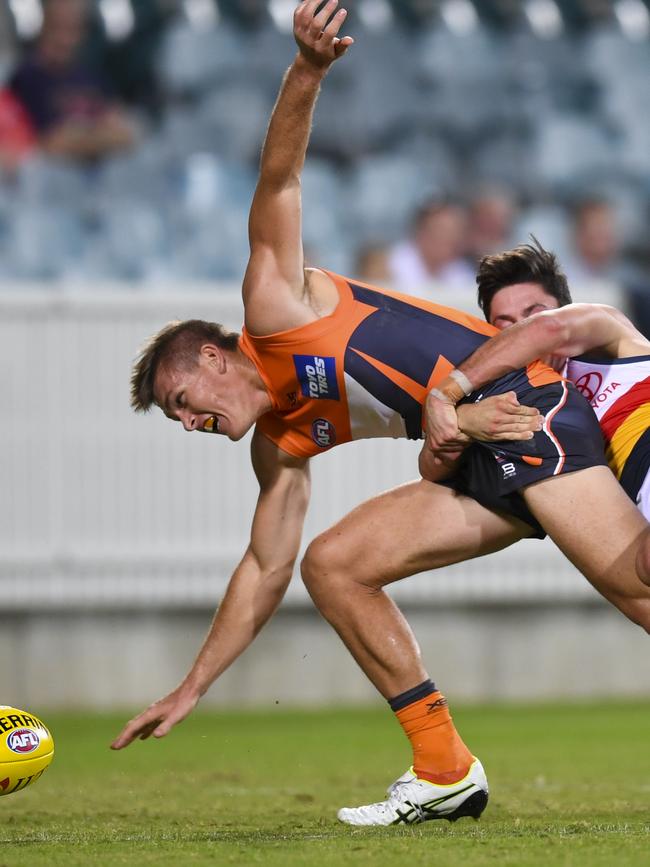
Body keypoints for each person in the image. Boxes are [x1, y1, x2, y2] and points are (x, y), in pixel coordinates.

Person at [110, 2, 650, 829]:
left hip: (524, 405)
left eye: (185, 402)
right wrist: (192, 686)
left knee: (637, 588)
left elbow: (280, 182)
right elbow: (264, 571)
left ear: (213, 358)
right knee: (334, 565)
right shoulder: (281, 444)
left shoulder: (272, 307)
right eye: (180, 420)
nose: (189, 423)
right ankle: (445, 768)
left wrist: (308, 70)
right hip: (476, 453)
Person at [423, 239, 650, 583]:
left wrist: (444, 394)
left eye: (534, 313)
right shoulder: (505, 403)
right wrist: (462, 422)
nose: (523, 331)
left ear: (564, 308)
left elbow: (550, 329)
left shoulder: (609, 332)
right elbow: (433, 469)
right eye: (506, 324)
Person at [9, 0, 136, 162]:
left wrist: (79, 137)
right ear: (44, 27)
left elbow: (125, 134)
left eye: (72, 29)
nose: (64, 38)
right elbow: (50, 143)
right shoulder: (27, 77)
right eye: (57, 28)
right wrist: (100, 135)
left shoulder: (91, 75)